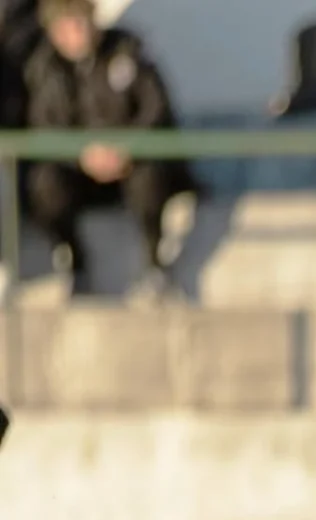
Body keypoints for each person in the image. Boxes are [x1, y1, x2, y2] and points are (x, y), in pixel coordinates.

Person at [22, 0, 193, 298]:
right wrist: (81, 156)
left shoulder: (127, 51)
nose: (75, 33)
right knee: (44, 185)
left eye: (80, 23)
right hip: (80, 172)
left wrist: (124, 149)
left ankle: (155, 265)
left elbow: (156, 109)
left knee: (150, 178)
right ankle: (76, 264)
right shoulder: (45, 67)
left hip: (129, 164)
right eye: (65, 27)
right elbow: (43, 125)